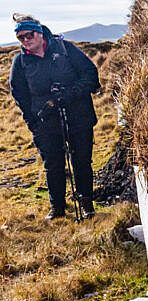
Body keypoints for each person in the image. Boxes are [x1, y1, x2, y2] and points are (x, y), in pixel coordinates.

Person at [8, 14, 100, 220]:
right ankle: (57, 208)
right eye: (20, 37)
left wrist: (69, 94)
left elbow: (90, 75)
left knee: (82, 160)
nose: (25, 40)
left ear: (39, 33)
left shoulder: (66, 49)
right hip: (45, 122)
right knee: (53, 164)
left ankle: (87, 204)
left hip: (78, 116)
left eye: (28, 35)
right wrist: (32, 122)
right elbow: (19, 93)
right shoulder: (20, 62)